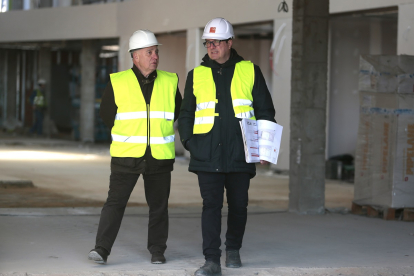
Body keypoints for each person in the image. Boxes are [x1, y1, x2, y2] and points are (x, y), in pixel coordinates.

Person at [178, 18, 276, 276]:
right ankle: (212, 260)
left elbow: (265, 110)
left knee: (238, 205)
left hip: (241, 152)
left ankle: (233, 248)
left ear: (229, 43)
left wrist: (264, 148)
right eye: (208, 43)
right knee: (210, 205)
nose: (211, 47)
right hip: (206, 153)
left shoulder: (250, 70)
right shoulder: (195, 75)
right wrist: (190, 142)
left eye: (216, 42)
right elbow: (186, 113)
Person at [88, 29, 182, 265]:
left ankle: (157, 251)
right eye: (149, 52)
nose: (155, 56)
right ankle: (101, 249)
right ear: (135, 56)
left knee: (158, 207)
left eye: (156, 52)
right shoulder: (117, 82)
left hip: (159, 156)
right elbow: (107, 116)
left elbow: (176, 111)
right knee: (115, 203)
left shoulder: (170, 81)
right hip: (126, 156)